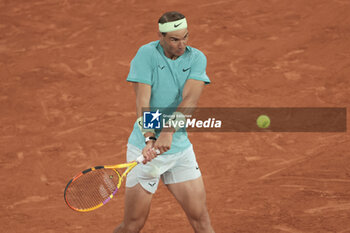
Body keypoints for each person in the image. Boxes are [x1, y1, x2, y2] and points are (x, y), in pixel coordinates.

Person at [114, 11, 215, 233]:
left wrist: (168, 131)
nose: (182, 45)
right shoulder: (146, 55)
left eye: (185, 37)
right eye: (175, 39)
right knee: (133, 225)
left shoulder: (197, 58)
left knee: (201, 219)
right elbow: (143, 101)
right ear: (161, 36)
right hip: (145, 150)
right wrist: (150, 138)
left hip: (179, 149)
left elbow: (190, 100)